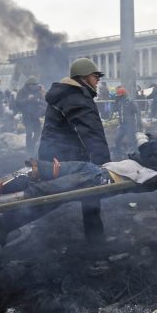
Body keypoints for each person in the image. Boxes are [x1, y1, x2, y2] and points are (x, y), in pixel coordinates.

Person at [38, 57, 111, 242]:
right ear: (85, 77)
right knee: (89, 193)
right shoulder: (77, 96)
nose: (98, 79)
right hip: (67, 158)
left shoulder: (67, 94)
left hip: (57, 154)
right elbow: (91, 132)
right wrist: (103, 163)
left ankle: (96, 239)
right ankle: (97, 246)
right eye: (96, 76)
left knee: (55, 196)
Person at [16, 76, 45, 154]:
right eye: (33, 85)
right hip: (27, 115)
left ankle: (31, 145)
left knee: (38, 132)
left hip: (35, 115)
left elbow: (44, 102)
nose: (34, 86)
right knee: (29, 132)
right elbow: (18, 103)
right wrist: (27, 99)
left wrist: (39, 100)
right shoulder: (22, 91)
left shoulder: (38, 91)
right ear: (28, 85)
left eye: (36, 85)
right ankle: (29, 150)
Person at [112, 86, 142, 156]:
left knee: (132, 141)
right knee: (117, 139)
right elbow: (114, 110)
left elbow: (137, 111)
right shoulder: (119, 102)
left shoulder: (130, 102)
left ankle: (135, 155)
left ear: (123, 95)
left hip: (130, 125)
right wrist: (115, 102)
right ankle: (119, 154)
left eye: (119, 96)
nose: (118, 97)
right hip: (122, 125)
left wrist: (139, 122)